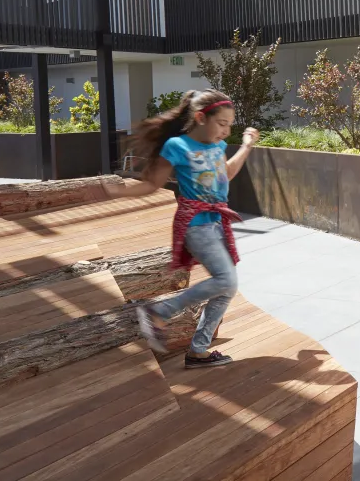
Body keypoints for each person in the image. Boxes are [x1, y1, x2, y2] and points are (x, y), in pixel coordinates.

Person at [102, 88, 258, 369]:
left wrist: (246, 146)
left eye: (229, 126)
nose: (225, 131)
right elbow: (151, 184)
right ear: (200, 117)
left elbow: (227, 174)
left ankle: (198, 351)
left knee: (225, 289)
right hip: (196, 225)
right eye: (221, 124)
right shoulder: (177, 146)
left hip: (217, 223)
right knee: (227, 281)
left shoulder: (218, 147)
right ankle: (158, 311)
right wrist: (116, 192)